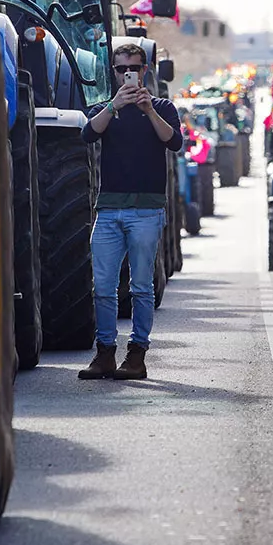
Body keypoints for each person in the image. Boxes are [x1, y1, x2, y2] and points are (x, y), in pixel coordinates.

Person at [78, 43, 183, 380]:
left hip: (146, 211)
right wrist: (114, 104)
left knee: (140, 287)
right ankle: (104, 353)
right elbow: (87, 134)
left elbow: (174, 142)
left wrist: (148, 109)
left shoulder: (163, 107)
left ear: (145, 70)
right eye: (122, 68)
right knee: (103, 287)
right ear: (114, 71)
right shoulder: (106, 108)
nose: (128, 74)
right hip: (109, 211)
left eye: (134, 68)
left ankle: (136, 355)